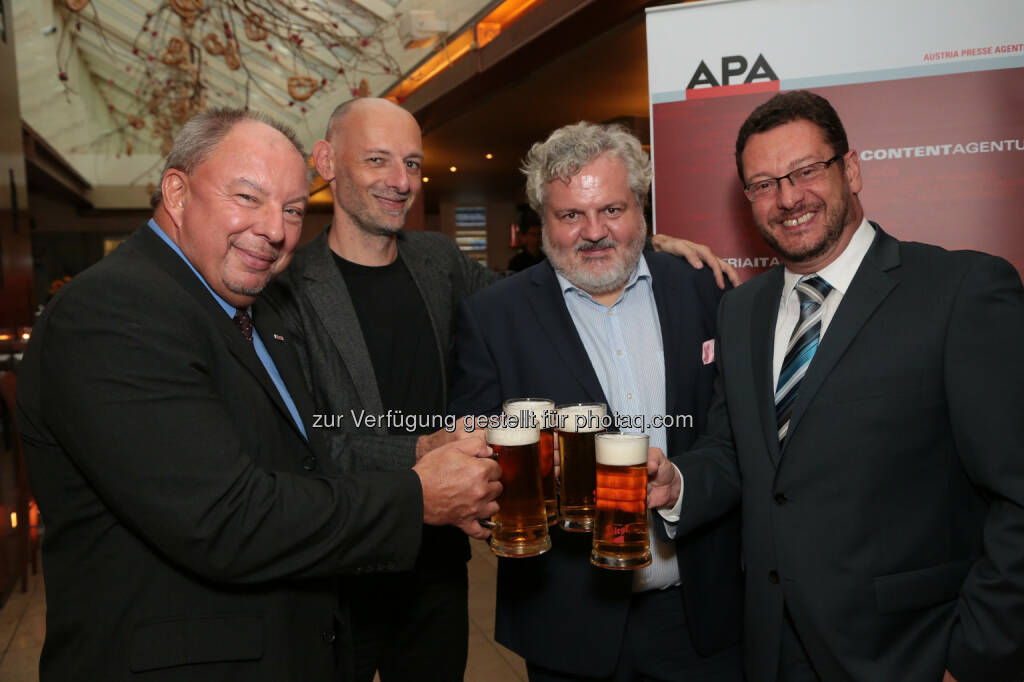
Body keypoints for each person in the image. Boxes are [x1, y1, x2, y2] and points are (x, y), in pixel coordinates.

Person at [260, 97, 740, 682]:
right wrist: (425, 453)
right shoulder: (282, 289)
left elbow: (555, 282)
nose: (399, 180)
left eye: (412, 163)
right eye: (379, 159)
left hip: (438, 574)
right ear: (327, 161)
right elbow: (301, 440)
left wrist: (648, 244)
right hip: (342, 560)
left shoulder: (439, 262)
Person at [15, 108, 501, 682]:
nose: (275, 229)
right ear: (176, 191)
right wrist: (416, 496)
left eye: (293, 210)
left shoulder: (254, 312)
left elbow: (310, 454)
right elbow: (227, 518)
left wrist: (426, 455)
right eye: (248, 197)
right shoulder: (114, 312)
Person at [651, 90, 1024, 682]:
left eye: (805, 171)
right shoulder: (740, 312)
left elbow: (1017, 494)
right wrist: (678, 484)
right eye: (764, 184)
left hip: (913, 654)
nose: (788, 198)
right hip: (772, 650)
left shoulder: (961, 291)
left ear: (850, 169)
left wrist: (975, 657)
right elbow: (736, 451)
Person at [448, 121, 744, 682]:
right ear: (543, 222)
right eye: (570, 216)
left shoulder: (705, 289)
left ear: (641, 209)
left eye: (612, 210)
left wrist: (682, 481)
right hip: (569, 627)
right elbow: (478, 453)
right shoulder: (492, 318)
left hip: (703, 617)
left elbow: (738, 439)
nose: (593, 231)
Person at [508, 203, 545, 271]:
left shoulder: (546, 259)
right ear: (525, 237)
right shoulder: (517, 262)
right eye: (533, 234)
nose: (536, 238)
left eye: (539, 234)